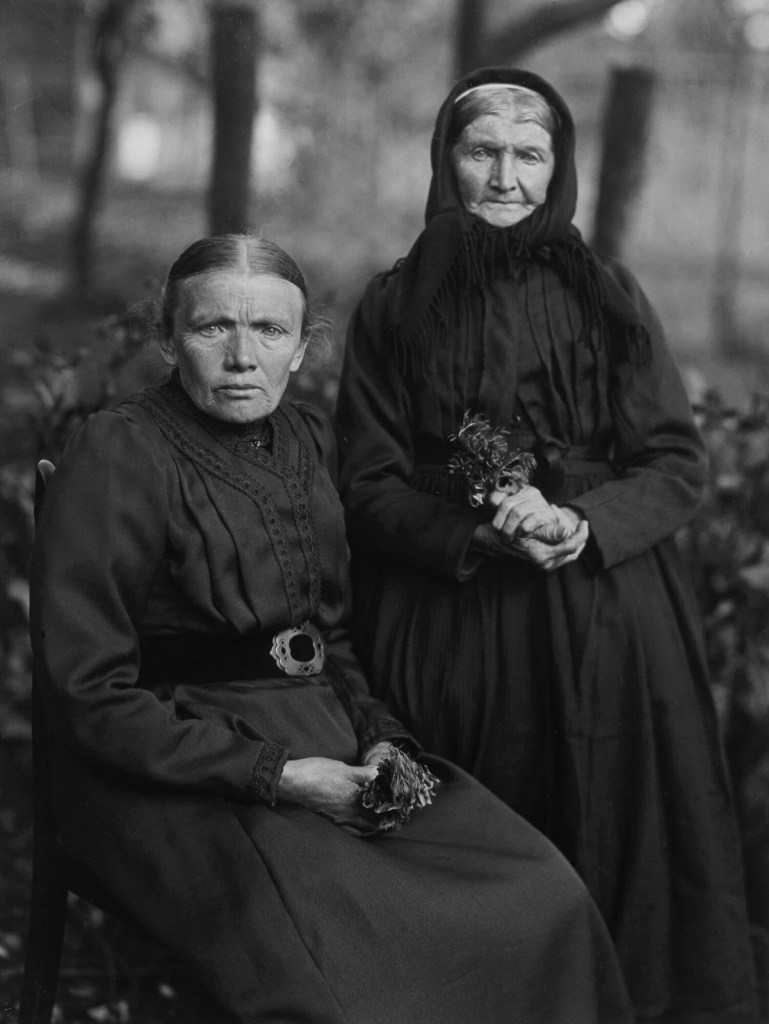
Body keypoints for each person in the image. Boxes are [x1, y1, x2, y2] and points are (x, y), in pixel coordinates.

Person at [29, 234, 633, 1024]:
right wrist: (280, 776)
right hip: (167, 765)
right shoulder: (120, 450)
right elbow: (87, 695)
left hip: (325, 733)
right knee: (346, 960)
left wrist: (382, 743)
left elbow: (327, 638)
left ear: (301, 347)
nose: (242, 356)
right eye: (213, 328)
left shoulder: (308, 438)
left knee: (537, 891)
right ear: (167, 338)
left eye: (270, 332)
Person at [336, 68, 759, 1023]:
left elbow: (672, 462)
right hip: (449, 616)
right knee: (464, 838)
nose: (505, 176)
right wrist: (476, 528)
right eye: (481, 151)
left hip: (605, 613)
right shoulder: (393, 304)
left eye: (530, 155)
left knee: (610, 826)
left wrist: (584, 523)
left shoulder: (607, 294)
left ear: (558, 167)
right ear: (446, 162)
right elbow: (366, 484)